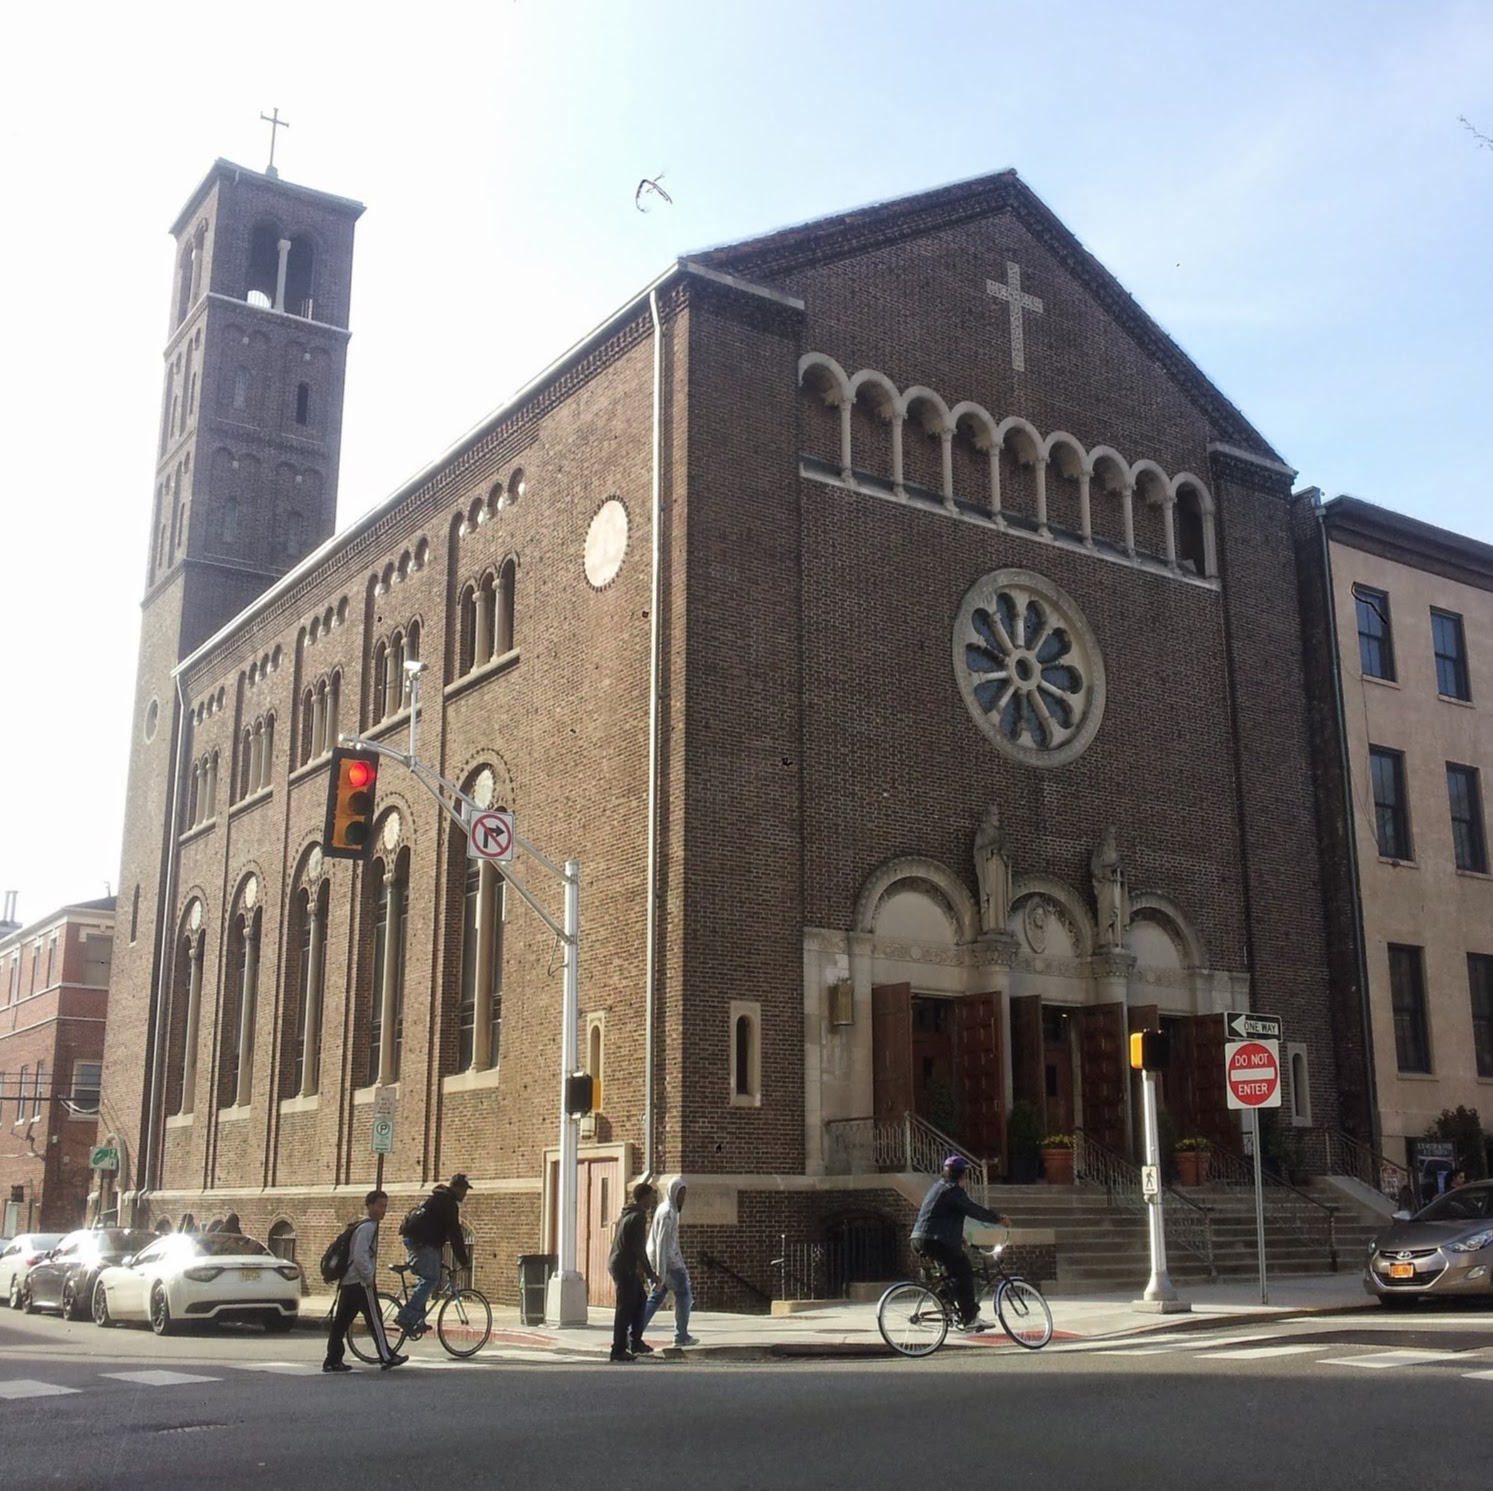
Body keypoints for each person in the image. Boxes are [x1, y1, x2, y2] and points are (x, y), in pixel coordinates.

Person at [910, 1156, 1007, 1332]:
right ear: (962, 1176)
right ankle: (970, 1318)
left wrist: (958, 1236)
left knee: (953, 1274)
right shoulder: (953, 1191)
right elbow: (972, 1209)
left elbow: (940, 1216)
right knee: (964, 1271)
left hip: (920, 1239)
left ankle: (944, 1299)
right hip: (936, 1240)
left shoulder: (938, 1187)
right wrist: (997, 1218)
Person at [324, 1190, 408, 1372]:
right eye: (380, 1206)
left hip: (349, 1282)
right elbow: (360, 1255)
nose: (383, 1210)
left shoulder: (362, 1225)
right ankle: (386, 1356)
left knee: (341, 1323)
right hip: (361, 1283)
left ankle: (332, 1359)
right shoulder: (368, 1227)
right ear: (369, 1205)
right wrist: (369, 1277)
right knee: (375, 1319)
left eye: (385, 1206)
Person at [395, 1173, 472, 1338]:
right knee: (431, 1280)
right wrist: (464, 1261)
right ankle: (406, 1316)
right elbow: (455, 1234)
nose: (465, 1194)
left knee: (424, 1280)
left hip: (415, 1240)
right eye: (464, 1190)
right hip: (424, 1243)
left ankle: (417, 1321)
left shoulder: (435, 1198)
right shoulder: (448, 1203)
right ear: (457, 1189)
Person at [642, 1176, 698, 1348]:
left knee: (655, 1298)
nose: (683, 1197)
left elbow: (672, 1243)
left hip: (666, 1261)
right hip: (668, 1263)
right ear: (672, 1192)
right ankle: (681, 1335)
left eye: (684, 1194)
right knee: (684, 1296)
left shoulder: (667, 1210)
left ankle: (633, 1332)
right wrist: (661, 1272)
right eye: (680, 1193)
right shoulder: (668, 1213)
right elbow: (662, 1244)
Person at [608, 1182, 658, 1363]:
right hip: (624, 1266)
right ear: (644, 1197)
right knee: (625, 1307)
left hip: (619, 1263)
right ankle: (618, 1349)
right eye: (651, 1196)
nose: (652, 1200)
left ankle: (635, 1342)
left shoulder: (626, 1214)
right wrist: (650, 1273)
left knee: (640, 1300)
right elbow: (638, 1249)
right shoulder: (638, 1217)